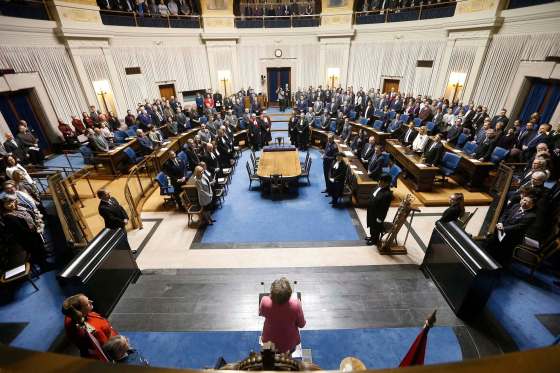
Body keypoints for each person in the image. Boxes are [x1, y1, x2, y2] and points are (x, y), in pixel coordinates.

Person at [62, 293, 119, 359]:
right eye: (88, 304)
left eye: (88, 299)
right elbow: (107, 349)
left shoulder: (70, 316)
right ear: (80, 312)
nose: (91, 301)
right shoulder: (95, 331)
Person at [259, 277, 306, 354]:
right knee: (288, 360)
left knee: (268, 357)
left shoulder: (264, 301)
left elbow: (262, 313)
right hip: (289, 343)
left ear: (272, 293)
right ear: (289, 294)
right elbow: (301, 324)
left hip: (268, 341)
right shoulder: (296, 304)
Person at [366, 174, 393, 246]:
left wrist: (380, 218)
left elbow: (384, 208)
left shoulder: (387, 194)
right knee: (371, 224)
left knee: (376, 228)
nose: (379, 183)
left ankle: (374, 240)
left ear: (387, 183)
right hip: (371, 210)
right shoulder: (378, 187)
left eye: (381, 182)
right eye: (379, 181)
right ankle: (372, 237)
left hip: (378, 214)